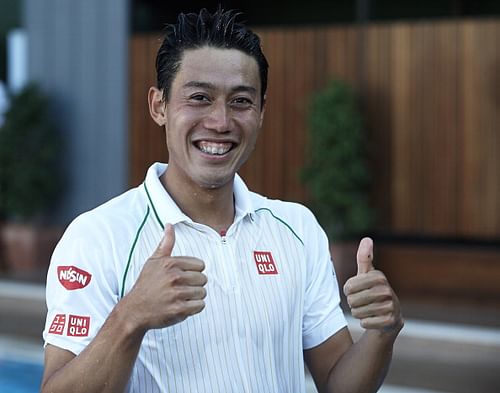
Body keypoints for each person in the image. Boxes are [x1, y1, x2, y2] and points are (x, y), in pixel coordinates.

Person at [41, 8, 403, 393]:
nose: (220, 121)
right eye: (199, 97)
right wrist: (131, 316)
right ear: (158, 106)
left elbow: (337, 384)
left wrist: (382, 333)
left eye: (241, 101)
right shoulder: (98, 237)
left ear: (261, 112)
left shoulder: (296, 229)